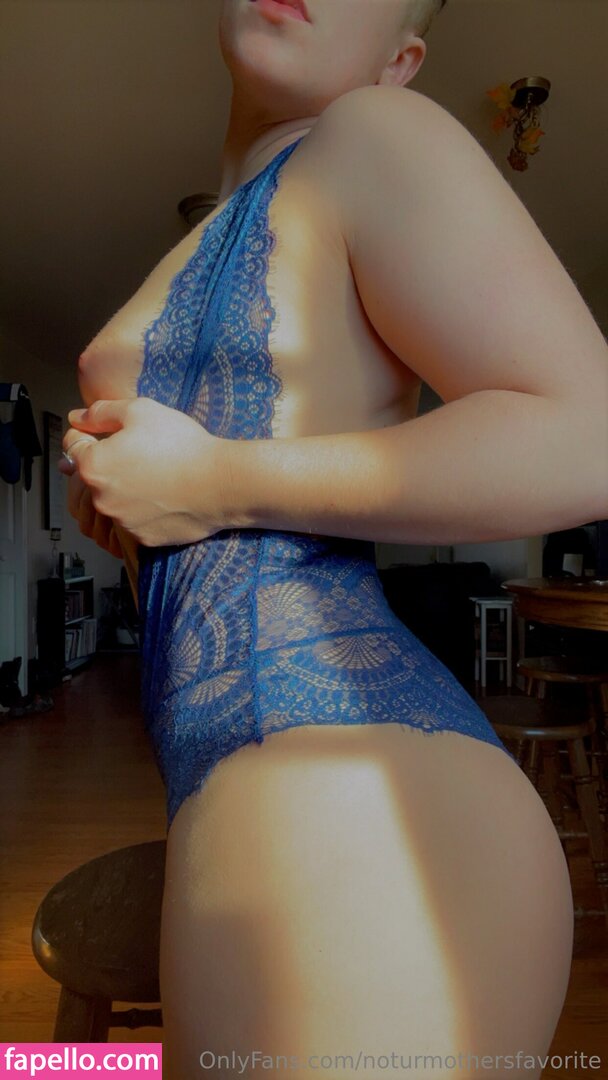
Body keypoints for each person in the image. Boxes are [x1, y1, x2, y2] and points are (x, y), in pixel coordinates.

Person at [60, 1, 608, 1076]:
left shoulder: (373, 131)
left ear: (400, 59)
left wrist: (210, 480)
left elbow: (587, 435)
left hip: (353, 786)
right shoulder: (226, 220)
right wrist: (129, 505)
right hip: (245, 779)